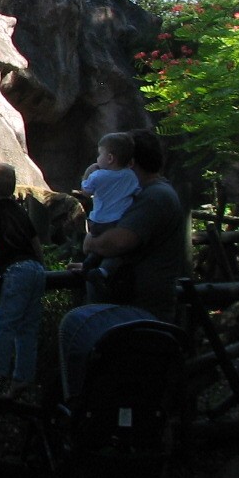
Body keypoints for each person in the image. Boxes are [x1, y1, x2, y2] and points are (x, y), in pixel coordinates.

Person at [57, 130, 190, 398]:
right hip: (129, 306)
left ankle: (76, 410)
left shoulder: (155, 196)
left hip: (140, 312)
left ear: (128, 162)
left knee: (73, 325)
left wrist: (90, 243)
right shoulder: (143, 194)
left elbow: (117, 243)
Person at [0, 163, 46, 398]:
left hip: (16, 271)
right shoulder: (19, 209)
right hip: (35, 269)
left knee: (4, 324)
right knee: (28, 328)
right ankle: (23, 377)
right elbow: (35, 241)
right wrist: (41, 264)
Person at [78, 132, 140, 282]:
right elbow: (137, 192)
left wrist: (87, 173)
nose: (98, 159)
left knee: (96, 247)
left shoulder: (98, 176)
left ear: (110, 158)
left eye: (100, 155)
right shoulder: (131, 176)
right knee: (117, 253)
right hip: (118, 222)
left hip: (98, 222)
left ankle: (87, 267)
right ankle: (104, 270)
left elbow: (85, 192)